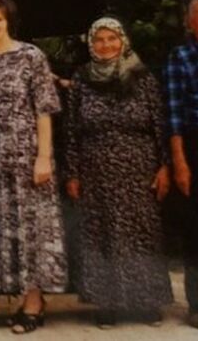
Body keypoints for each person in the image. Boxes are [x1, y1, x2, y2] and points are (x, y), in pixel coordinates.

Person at [64, 17, 172, 328]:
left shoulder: (143, 77)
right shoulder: (82, 80)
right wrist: (72, 173)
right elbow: (71, 131)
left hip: (139, 168)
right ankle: (107, 303)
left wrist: (164, 167)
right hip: (95, 168)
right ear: (91, 44)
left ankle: (146, 301)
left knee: (141, 235)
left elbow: (159, 126)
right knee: (101, 236)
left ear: (123, 40)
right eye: (99, 40)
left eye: (112, 38)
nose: (106, 45)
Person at [0, 0, 67, 334]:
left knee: (33, 231)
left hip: (28, 157)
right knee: (7, 230)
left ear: (9, 21)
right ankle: (18, 296)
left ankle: (34, 302)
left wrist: (44, 157)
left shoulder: (31, 56)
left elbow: (44, 109)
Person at [164, 0, 198, 330]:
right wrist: (180, 162)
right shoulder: (181, 57)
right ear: (191, 23)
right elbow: (175, 116)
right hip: (197, 144)